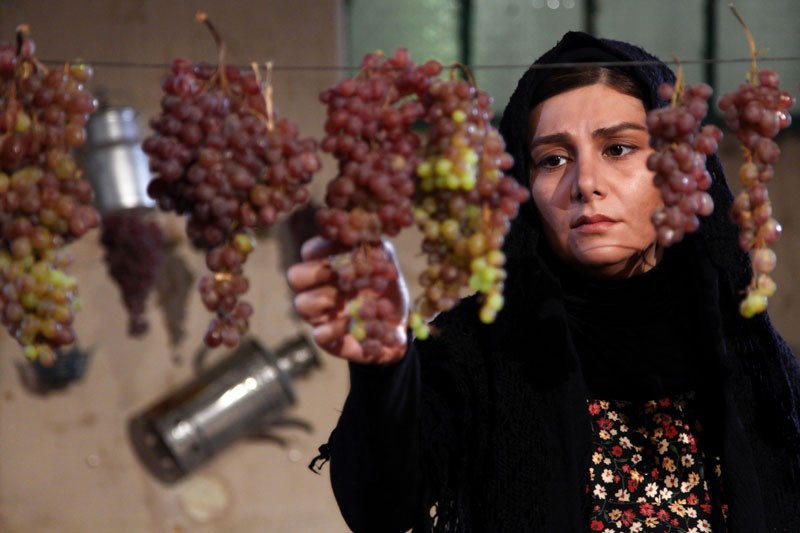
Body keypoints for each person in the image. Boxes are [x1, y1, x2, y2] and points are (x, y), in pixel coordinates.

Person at [287, 31, 800, 532]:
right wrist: (383, 368)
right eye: (553, 159)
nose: (584, 184)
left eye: (618, 148)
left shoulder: (749, 356)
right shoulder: (474, 350)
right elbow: (380, 509)